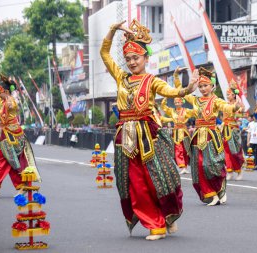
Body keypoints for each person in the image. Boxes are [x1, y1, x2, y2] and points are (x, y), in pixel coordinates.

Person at [100, 19, 198, 240]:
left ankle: (166, 216)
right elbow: (104, 54)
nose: (132, 62)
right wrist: (112, 29)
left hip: (148, 137)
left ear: (145, 58)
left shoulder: (151, 80)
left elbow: (170, 92)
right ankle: (155, 224)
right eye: (128, 59)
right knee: (135, 183)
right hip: (126, 137)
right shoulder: (121, 77)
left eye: (136, 58)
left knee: (160, 179)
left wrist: (188, 88)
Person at [182, 67, 242, 206]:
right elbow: (182, 93)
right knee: (199, 166)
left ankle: (219, 188)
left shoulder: (216, 100)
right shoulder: (195, 100)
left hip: (211, 136)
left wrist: (234, 107)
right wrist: (180, 80)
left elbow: (226, 107)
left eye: (205, 85)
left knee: (212, 164)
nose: (203, 88)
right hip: (197, 136)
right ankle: (211, 193)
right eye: (201, 86)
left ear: (212, 86)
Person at [0, 74, 41, 196]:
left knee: (6, 161)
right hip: (7, 135)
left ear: (4, 91)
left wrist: (10, 101)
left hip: (12, 137)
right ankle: (19, 185)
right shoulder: (3, 100)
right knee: (7, 162)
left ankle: (19, 185)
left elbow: (12, 107)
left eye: (0, 92)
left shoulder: (10, 102)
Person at [161, 68, 193, 175]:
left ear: (182, 102)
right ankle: (182, 166)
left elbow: (195, 111)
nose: (177, 102)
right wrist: (166, 97)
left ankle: (186, 165)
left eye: (178, 101)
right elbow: (163, 107)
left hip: (184, 132)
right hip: (176, 133)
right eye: (175, 101)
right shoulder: (172, 111)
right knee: (178, 149)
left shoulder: (186, 111)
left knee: (186, 149)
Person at [221, 81, 245, 181]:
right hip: (225, 129)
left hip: (233, 130)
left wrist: (239, 107)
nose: (227, 96)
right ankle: (229, 171)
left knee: (234, 151)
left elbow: (240, 116)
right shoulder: (225, 104)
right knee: (226, 151)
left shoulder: (238, 104)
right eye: (226, 94)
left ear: (234, 95)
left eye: (229, 94)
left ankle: (239, 170)